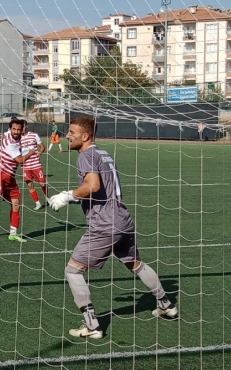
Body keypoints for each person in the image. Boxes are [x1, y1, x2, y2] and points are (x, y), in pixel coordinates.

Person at [48, 116, 178, 339]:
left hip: (104, 224)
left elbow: (92, 185)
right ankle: (166, 305)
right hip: (122, 219)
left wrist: (67, 196)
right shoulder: (103, 154)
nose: (67, 135)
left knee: (73, 271)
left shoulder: (86, 155)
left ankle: (92, 327)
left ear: (85, 136)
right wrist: (78, 199)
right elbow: (102, 191)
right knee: (135, 264)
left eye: (71, 132)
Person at [21, 120, 49, 210]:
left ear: (26, 126)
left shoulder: (34, 135)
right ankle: (37, 203)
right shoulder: (17, 138)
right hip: (25, 166)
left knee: (42, 184)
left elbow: (42, 147)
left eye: (23, 126)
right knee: (30, 185)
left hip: (36, 164)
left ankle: (47, 197)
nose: (21, 128)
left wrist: (40, 152)